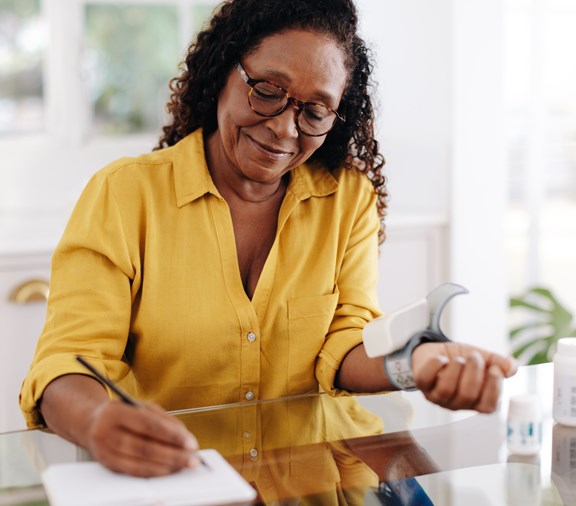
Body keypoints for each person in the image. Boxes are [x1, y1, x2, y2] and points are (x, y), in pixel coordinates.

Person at [20, 0, 516, 479]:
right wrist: (95, 421)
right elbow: (69, 358)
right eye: (267, 89)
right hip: (178, 483)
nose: (283, 128)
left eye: (315, 111)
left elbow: (346, 340)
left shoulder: (346, 199)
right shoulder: (126, 195)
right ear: (223, 72)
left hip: (312, 481)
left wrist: (418, 363)